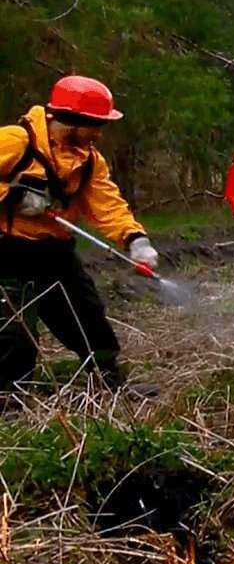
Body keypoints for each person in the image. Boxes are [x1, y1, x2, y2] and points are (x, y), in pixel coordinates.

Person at [0, 76, 160, 390]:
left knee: (89, 318)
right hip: (6, 251)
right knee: (13, 336)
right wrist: (10, 196)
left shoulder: (90, 161)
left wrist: (134, 239)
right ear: (72, 121)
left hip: (55, 254)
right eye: (95, 125)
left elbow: (107, 204)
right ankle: (10, 404)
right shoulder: (15, 141)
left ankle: (109, 384)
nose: (99, 133)